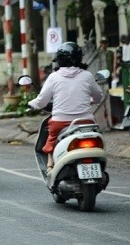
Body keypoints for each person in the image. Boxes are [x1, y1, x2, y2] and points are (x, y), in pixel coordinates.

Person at [27, 42, 102, 173]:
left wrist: (32, 104)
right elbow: (98, 96)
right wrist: (93, 100)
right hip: (86, 122)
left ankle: (50, 165)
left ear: (60, 60)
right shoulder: (87, 76)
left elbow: (41, 101)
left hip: (60, 122)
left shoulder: (53, 77)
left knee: (51, 139)